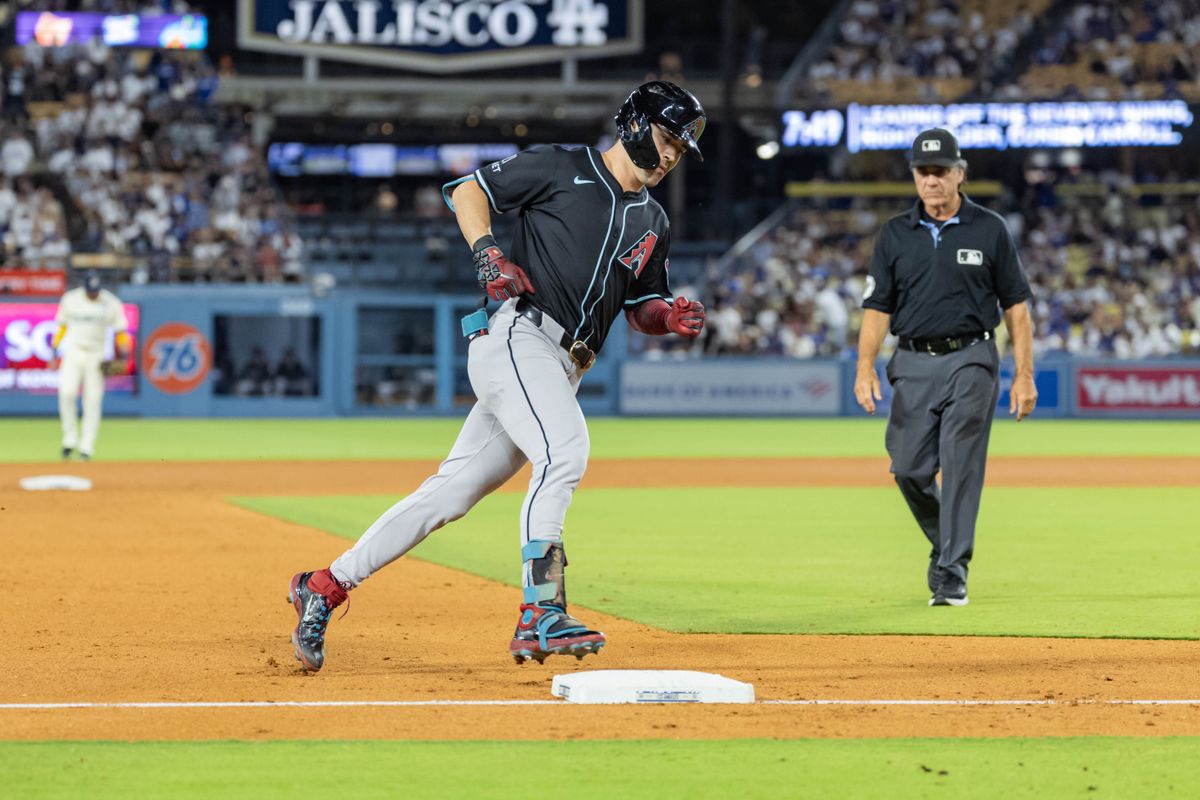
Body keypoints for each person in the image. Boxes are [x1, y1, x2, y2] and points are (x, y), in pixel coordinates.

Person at [288, 81, 709, 671]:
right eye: (667, 139)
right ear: (636, 124)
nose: (670, 156)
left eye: (680, 150)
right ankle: (541, 608)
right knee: (565, 453)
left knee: (450, 493)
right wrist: (489, 255)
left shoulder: (654, 219)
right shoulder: (563, 165)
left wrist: (669, 317)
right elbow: (467, 192)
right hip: (520, 335)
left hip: (564, 366)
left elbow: (642, 306)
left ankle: (325, 585)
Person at [853, 128, 1037, 607]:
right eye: (923, 172)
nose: (931, 180)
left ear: (959, 174)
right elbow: (877, 308)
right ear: (914, 176)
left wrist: (1024, 373)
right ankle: (945, 544)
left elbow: (1016, 306)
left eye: (940, 171)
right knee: (910, 469)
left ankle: (953, 571)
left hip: (972, 357)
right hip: (911, 361)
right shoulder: (895, 233)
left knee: (959, 463)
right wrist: (864, 367)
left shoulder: (989, 228)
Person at [52, 270, 130, 461]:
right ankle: (69, 440)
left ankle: (86, 447)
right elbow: (61, 327)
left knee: (93, 400)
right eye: (90, 291)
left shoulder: (111, 303)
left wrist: (124, 356)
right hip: (73, 352)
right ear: (83, 287)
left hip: (97, 354)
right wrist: (54, 352)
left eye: (96, 291)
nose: (93, 294)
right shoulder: (71, 299)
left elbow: (121, 332)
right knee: (67, 393)